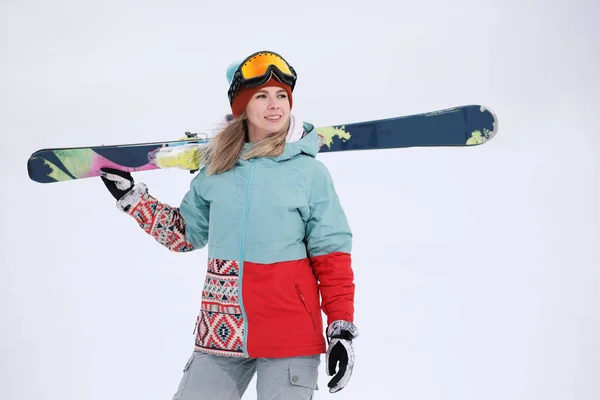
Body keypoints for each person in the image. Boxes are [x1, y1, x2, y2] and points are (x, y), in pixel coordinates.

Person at [100, 50, 358, 400]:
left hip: (291, 333)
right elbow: (185, 235)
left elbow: (331, 255)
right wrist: (134, 199)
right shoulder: (215, 169)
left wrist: (340, 329)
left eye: (282, 95)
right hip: (223, 329)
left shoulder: (310, 174)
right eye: (262, 96)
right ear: (242, 107)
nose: (275, 105)